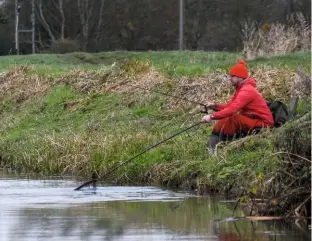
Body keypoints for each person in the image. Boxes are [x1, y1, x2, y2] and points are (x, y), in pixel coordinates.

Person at [201, 60, 274, 153]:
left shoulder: (247, 90)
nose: (229, 78)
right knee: (227, 118)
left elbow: (232, 109)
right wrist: (214, 106)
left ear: (240, 77)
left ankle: (221, 147)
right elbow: (230, 106)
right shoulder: (241, 89)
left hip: (263, 124)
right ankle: (213, 147)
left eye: (232, 76)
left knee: (234, 119)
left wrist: (211, 117)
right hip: (254, 120)